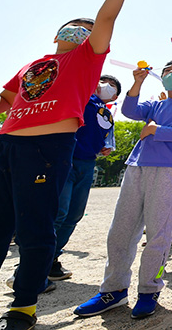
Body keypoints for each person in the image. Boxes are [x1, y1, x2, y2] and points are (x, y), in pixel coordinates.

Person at [0, 0, 148, 330]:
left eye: (86, 29)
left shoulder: (87, 61)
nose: (81, 31)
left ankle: (22, 308)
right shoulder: (33, 63)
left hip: (47, 148)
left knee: (36, 229)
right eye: (74, 27)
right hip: (4, 148)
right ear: (57, 33)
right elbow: (4, 101)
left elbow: (106, 20)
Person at [75, 59, 172, 320]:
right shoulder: (155, 104)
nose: (169, 74)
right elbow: (130, 110)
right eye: (166, 71)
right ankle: (113, 290)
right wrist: (138, 82)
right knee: (120, 231)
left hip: (168, 170)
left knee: (159, 234)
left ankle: (149, 290)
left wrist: (156, 129)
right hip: (136, 167)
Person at [51, 75, 121, 280]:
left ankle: (52, 259)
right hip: (66, 159)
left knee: (74, 214)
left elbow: (105, 143)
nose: (105, 85)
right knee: (58, 212)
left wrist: (104, 149)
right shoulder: (80, 98)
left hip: (87, 163)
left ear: (115, 95)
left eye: (112, 85)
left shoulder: (107, 115)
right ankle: (33, 263)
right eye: (100, 80)